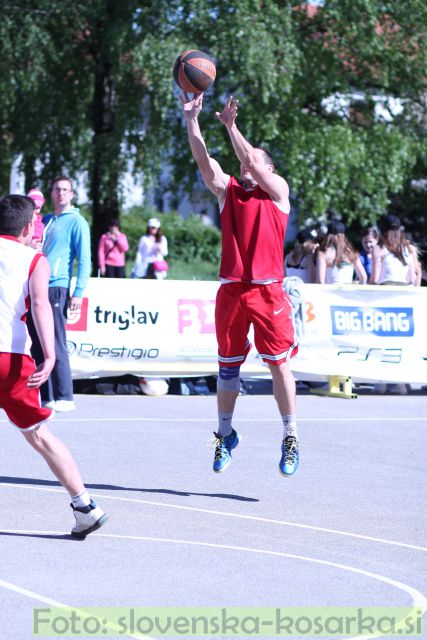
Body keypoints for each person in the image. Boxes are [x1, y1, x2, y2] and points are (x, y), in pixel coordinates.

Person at [181, 92, 299, 477]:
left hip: (268, 291)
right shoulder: (229, 191)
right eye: (247, 162)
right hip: (232, 290)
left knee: (278, 366)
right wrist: (193, 120)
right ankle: (225, 434)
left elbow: (249, 158)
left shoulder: (278, 193)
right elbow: (204, 161)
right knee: (228, 369)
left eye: (255, 161)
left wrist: (232, 126)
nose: (247, 164)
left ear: (269, 168)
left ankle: (290, 436)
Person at [0, 194, 108, 537]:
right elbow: (42, 308)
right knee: (40, 436)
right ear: (29, 226)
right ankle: (84, 505)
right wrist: (50, 355)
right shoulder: (35, 260)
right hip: (14, 359)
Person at [29, 176, 91, 412]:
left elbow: (84, 259)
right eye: (57, 189)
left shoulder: (77, 222)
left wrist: (78, 293)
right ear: (51, 194)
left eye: (66, 189)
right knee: (37, 341)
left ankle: (65, 395)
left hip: (58, 286)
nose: (61, 193)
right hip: (38, 284)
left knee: (55, 341)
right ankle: (47, 396)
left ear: (72, 194)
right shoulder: (46, 220)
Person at [369, 214, 417, 285]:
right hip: (404, 291)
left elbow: (375, 279)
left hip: (384, 291)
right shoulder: (410, 248)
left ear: (383, 232)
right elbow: (413, 279)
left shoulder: (378, 249)